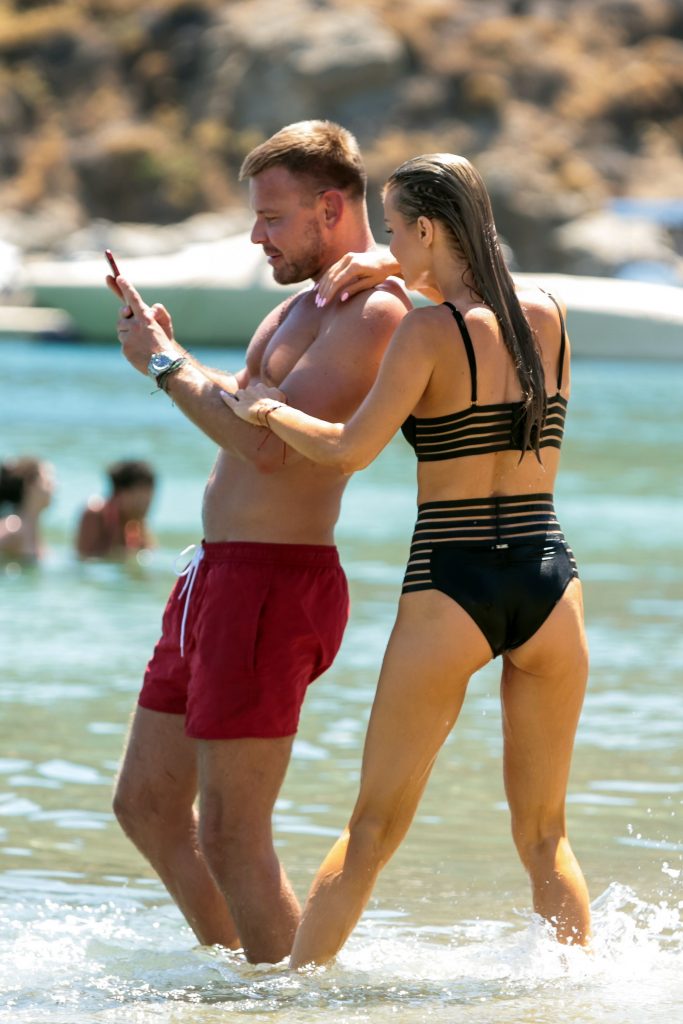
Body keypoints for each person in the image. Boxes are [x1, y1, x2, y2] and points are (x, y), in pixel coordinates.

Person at [222, 152, 592, 967]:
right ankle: (577, 998)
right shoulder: (549, 313)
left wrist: (268, 407)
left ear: (427, 229)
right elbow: (478, 284)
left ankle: (295, 1005)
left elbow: (347, 449)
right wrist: (397, 265)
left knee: (370, 831)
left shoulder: (427, 333)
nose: (386, 246)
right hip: (548, 578)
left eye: (393, 231)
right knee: (544, 835)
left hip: (450, 584)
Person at [106, 120, 411, 964]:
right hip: (213, 575)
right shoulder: (295, 308)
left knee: (233, 832)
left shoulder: (375, 313)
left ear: (330, 208)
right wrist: (164, 351)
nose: (255, 237)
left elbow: (270, 447)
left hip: (273, 583)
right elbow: (234, 408)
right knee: (146, 805)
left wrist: (164, 364)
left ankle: (287, 1002)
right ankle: (246, 981)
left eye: (272, 218)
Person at [75, 459, 156, 559]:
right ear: (119, 493)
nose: (146, 505)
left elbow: (150, 553)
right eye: (140, 499)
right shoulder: (95, 514)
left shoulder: (137, 521)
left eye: (149, 498)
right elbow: (85, 558)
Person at [0, 456, 55, 563]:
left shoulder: (35, 534)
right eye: (48, 483)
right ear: (29, 485)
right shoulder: (12, 529)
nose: (54, 488)